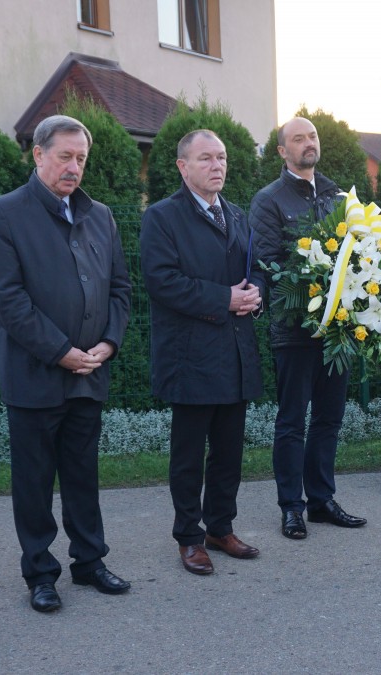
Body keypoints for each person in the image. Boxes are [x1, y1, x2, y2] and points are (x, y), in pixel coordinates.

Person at [0, 115, 132, 613]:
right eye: (64, 156)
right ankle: (41, 573)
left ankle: (89, 562)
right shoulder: (2, 215)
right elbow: (6, 300)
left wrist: (107, 343)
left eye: (81, 158)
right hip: (35, 376)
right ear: (38, 155)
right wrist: (61, 351)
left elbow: (121, 290)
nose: (73, 166)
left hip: (90, 372)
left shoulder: (99, 215)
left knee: (83, 475)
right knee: (35, 481)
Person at [140, 129, 264, 575]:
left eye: (222, 158)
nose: (217, 166)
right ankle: (189, 538)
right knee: (189, 456)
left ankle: (220, 527)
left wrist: (255, 294)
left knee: (229, 453)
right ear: (182, 166)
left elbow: (257, 268)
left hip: (234, 354)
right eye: (206, 158)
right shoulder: (162, 217)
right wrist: (225, 299)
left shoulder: (237, 214)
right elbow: (162, 282)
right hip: (190, 357)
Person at [252, 117, 366, 539]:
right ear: (283, 152)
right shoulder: (269, 200)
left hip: (338, 329)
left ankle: (321, 500)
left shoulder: (340, 195)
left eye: (312, 136)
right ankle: (291, 506)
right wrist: (315, 282)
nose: (308, 143)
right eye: (297, 139)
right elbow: (268, 260)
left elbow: (360, 249)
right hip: (294, 330)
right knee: (292, 420)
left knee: (329, 418)